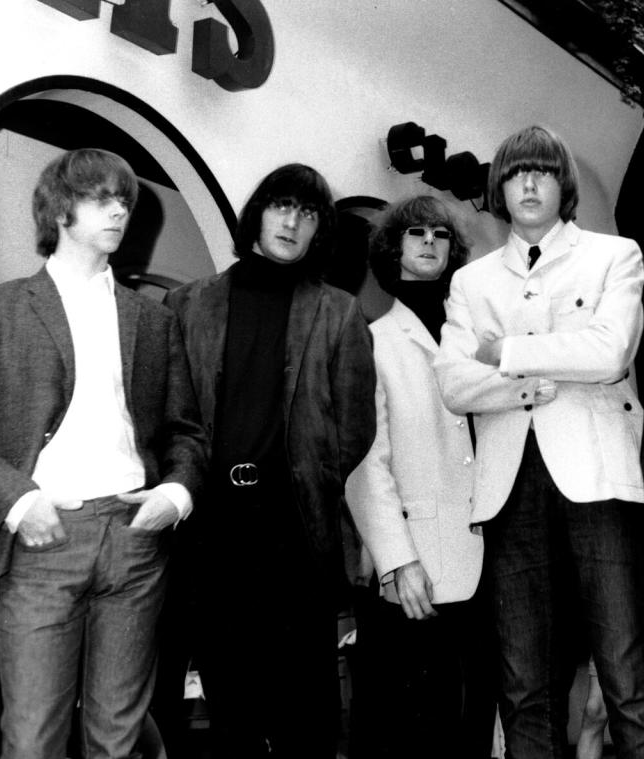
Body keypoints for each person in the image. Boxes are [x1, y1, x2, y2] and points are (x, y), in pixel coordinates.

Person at [434, 125, 644, 758]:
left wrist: (501, 352)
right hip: (509, 491)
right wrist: (527, 385)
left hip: (597, 481)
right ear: (500, 189)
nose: (528, 184)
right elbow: (455, 384)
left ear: (563, 185)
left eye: (541, 172)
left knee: (627, 676)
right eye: (514, 174)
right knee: (523, 685)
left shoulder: (613, 255)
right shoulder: (471, 282)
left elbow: (609, 352)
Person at [0, 147, 207, 758]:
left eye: (125, 201)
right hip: (43, 539)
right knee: (32, 738)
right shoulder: (5, 311)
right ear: (61, 209)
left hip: (134, 537)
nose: (119, 211)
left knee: (119, 738)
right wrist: (18, 502)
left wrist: (175, 494)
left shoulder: (152, 319)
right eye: (101, 198)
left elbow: (184, 430)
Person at [165, 163, 376, 758]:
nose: (292, 221)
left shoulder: (338, 312)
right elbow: (169, 419)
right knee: (229, 712)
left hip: (295, 538)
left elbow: (354, 429)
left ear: (319, 231)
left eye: (308, 213)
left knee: (304, 717)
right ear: (257, 214)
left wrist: (303, 478)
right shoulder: (186, 305)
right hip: (211, 535)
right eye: (281, 205)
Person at [345, 194, 497, 759]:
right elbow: (366, 462)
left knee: (477, 719)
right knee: (414, 726)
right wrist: (397, 560)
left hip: (491, 561)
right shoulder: (372, 342)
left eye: (438, 233)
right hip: (418, 567)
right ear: (393, 250)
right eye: (415, 234)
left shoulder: (478, 341)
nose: (429, 241)